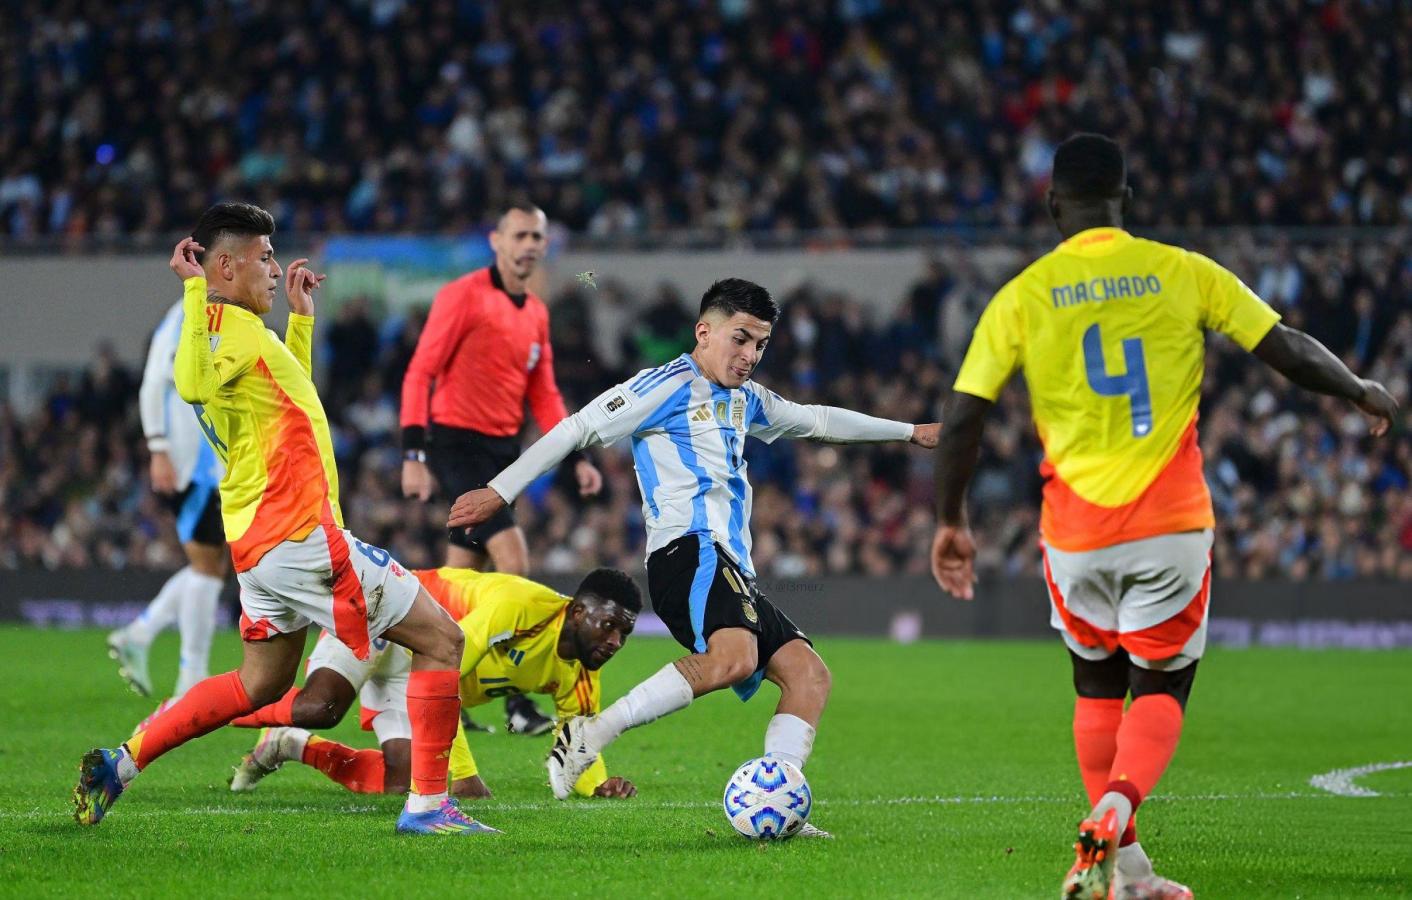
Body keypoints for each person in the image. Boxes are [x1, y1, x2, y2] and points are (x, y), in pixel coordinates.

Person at [929, 133, 1398, 900]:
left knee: (1094, 687)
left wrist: (950, 518)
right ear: (1129, 201)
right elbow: (1284, 347)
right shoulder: (1182, 270)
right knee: (1162, 686)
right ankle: (1117, 813)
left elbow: (964, 417)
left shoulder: (1022, 295)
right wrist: (1357, 389)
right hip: (1171, 524)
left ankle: (1128, 872)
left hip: (1074, 533)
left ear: (1054, 207)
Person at [448, 278, 940, 833]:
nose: (750, 355)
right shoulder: (665, 386)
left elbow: (818, 420)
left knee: (809, 676)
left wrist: (911, 432)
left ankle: (776, 801)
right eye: (740, 339)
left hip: (732, 567)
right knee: (733, 659)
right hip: (688, 552)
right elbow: (578, 427)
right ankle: (590, 733)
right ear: (704, 332)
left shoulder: (747, 400)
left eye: (760, 344)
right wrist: (500, 490)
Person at [72, 202, 491, 836]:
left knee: (259, 683)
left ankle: (121, 763)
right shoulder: (215, 323)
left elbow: (289, 395)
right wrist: (192, 292)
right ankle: (430, 808)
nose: (274, 267)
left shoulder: (243, 331)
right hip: (300, 536)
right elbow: (189, 384)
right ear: (225, 265)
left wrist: (300, 325)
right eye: (264, 257)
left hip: (259, 545)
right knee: (443, 640)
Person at [400, 202, 602, 737]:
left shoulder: (535, 311)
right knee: (512, 561)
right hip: (455, 443)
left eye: (538, 235)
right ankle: (515, 703)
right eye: (521, 235)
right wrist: (413, 454)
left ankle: (442, 688)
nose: (530, 244)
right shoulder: (461, 296)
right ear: (497, 240)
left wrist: (576, 455)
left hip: (501, 452)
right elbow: (421, 370)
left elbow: (545, 392)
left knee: (462, 581)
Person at [225, 567, 640, 800]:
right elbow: (445, 675)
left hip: (417, 669)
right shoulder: (520, 608)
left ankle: (287, 744)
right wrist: (464, 774)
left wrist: (597, 785)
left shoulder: (582, 672)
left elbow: (577, 740)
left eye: (624, 635)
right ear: (580, 612)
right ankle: (220, 711)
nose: (615, 642)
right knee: (320, 707)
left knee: (396, 783)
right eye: (609, 627)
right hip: (386, 619)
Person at [106, 299, 229, 704]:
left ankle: (139, 635)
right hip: (190, 462)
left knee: (211, 564)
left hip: (212, 462)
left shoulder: (222, 312)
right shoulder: (184, 315)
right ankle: (190, 675)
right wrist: (158, 447)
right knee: (208, 566)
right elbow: (154, 381)